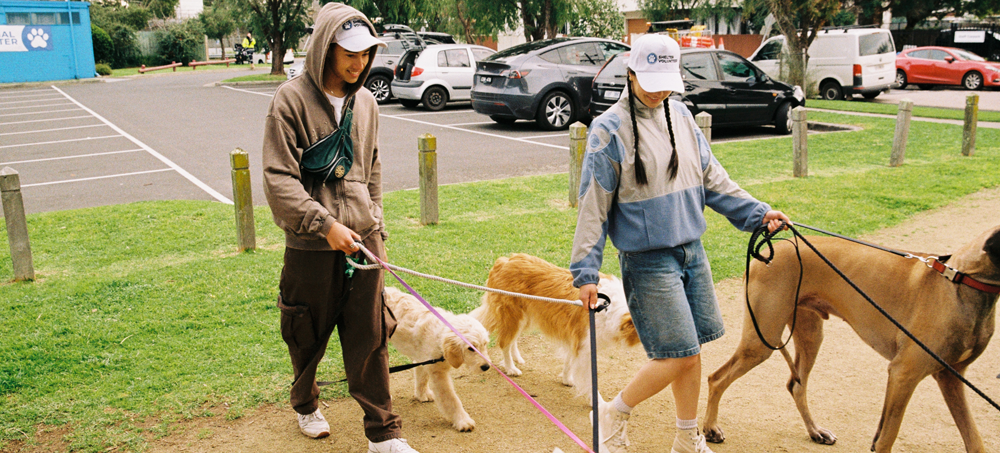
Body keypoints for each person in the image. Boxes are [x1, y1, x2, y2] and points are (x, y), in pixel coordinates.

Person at [570, 34, 790, 453]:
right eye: (649, 79)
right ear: (630, 73)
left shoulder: (682, 116)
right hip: (648, 260)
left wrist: (758, 213)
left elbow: (713, 180)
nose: (658, 90)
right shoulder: (608, 131)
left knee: (691, 349)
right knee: (678, 353)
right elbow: (592, 207)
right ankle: (612, 414)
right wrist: (585, 273)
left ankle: (687, 439)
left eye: (666, 80)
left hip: (692, 252)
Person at [262, 4, 420, 453]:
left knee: (370, 333)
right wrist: (324, 224)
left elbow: (372, 169)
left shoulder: (367, 102)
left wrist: (378, 228)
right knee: (305, 332)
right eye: (349, 53)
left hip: (364, 241)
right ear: (325, 48)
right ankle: (306, 404)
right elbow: (278, 177)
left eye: (367, 53)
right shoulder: (289, 101)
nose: (359, 63)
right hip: (311, 246)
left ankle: (384, 433)